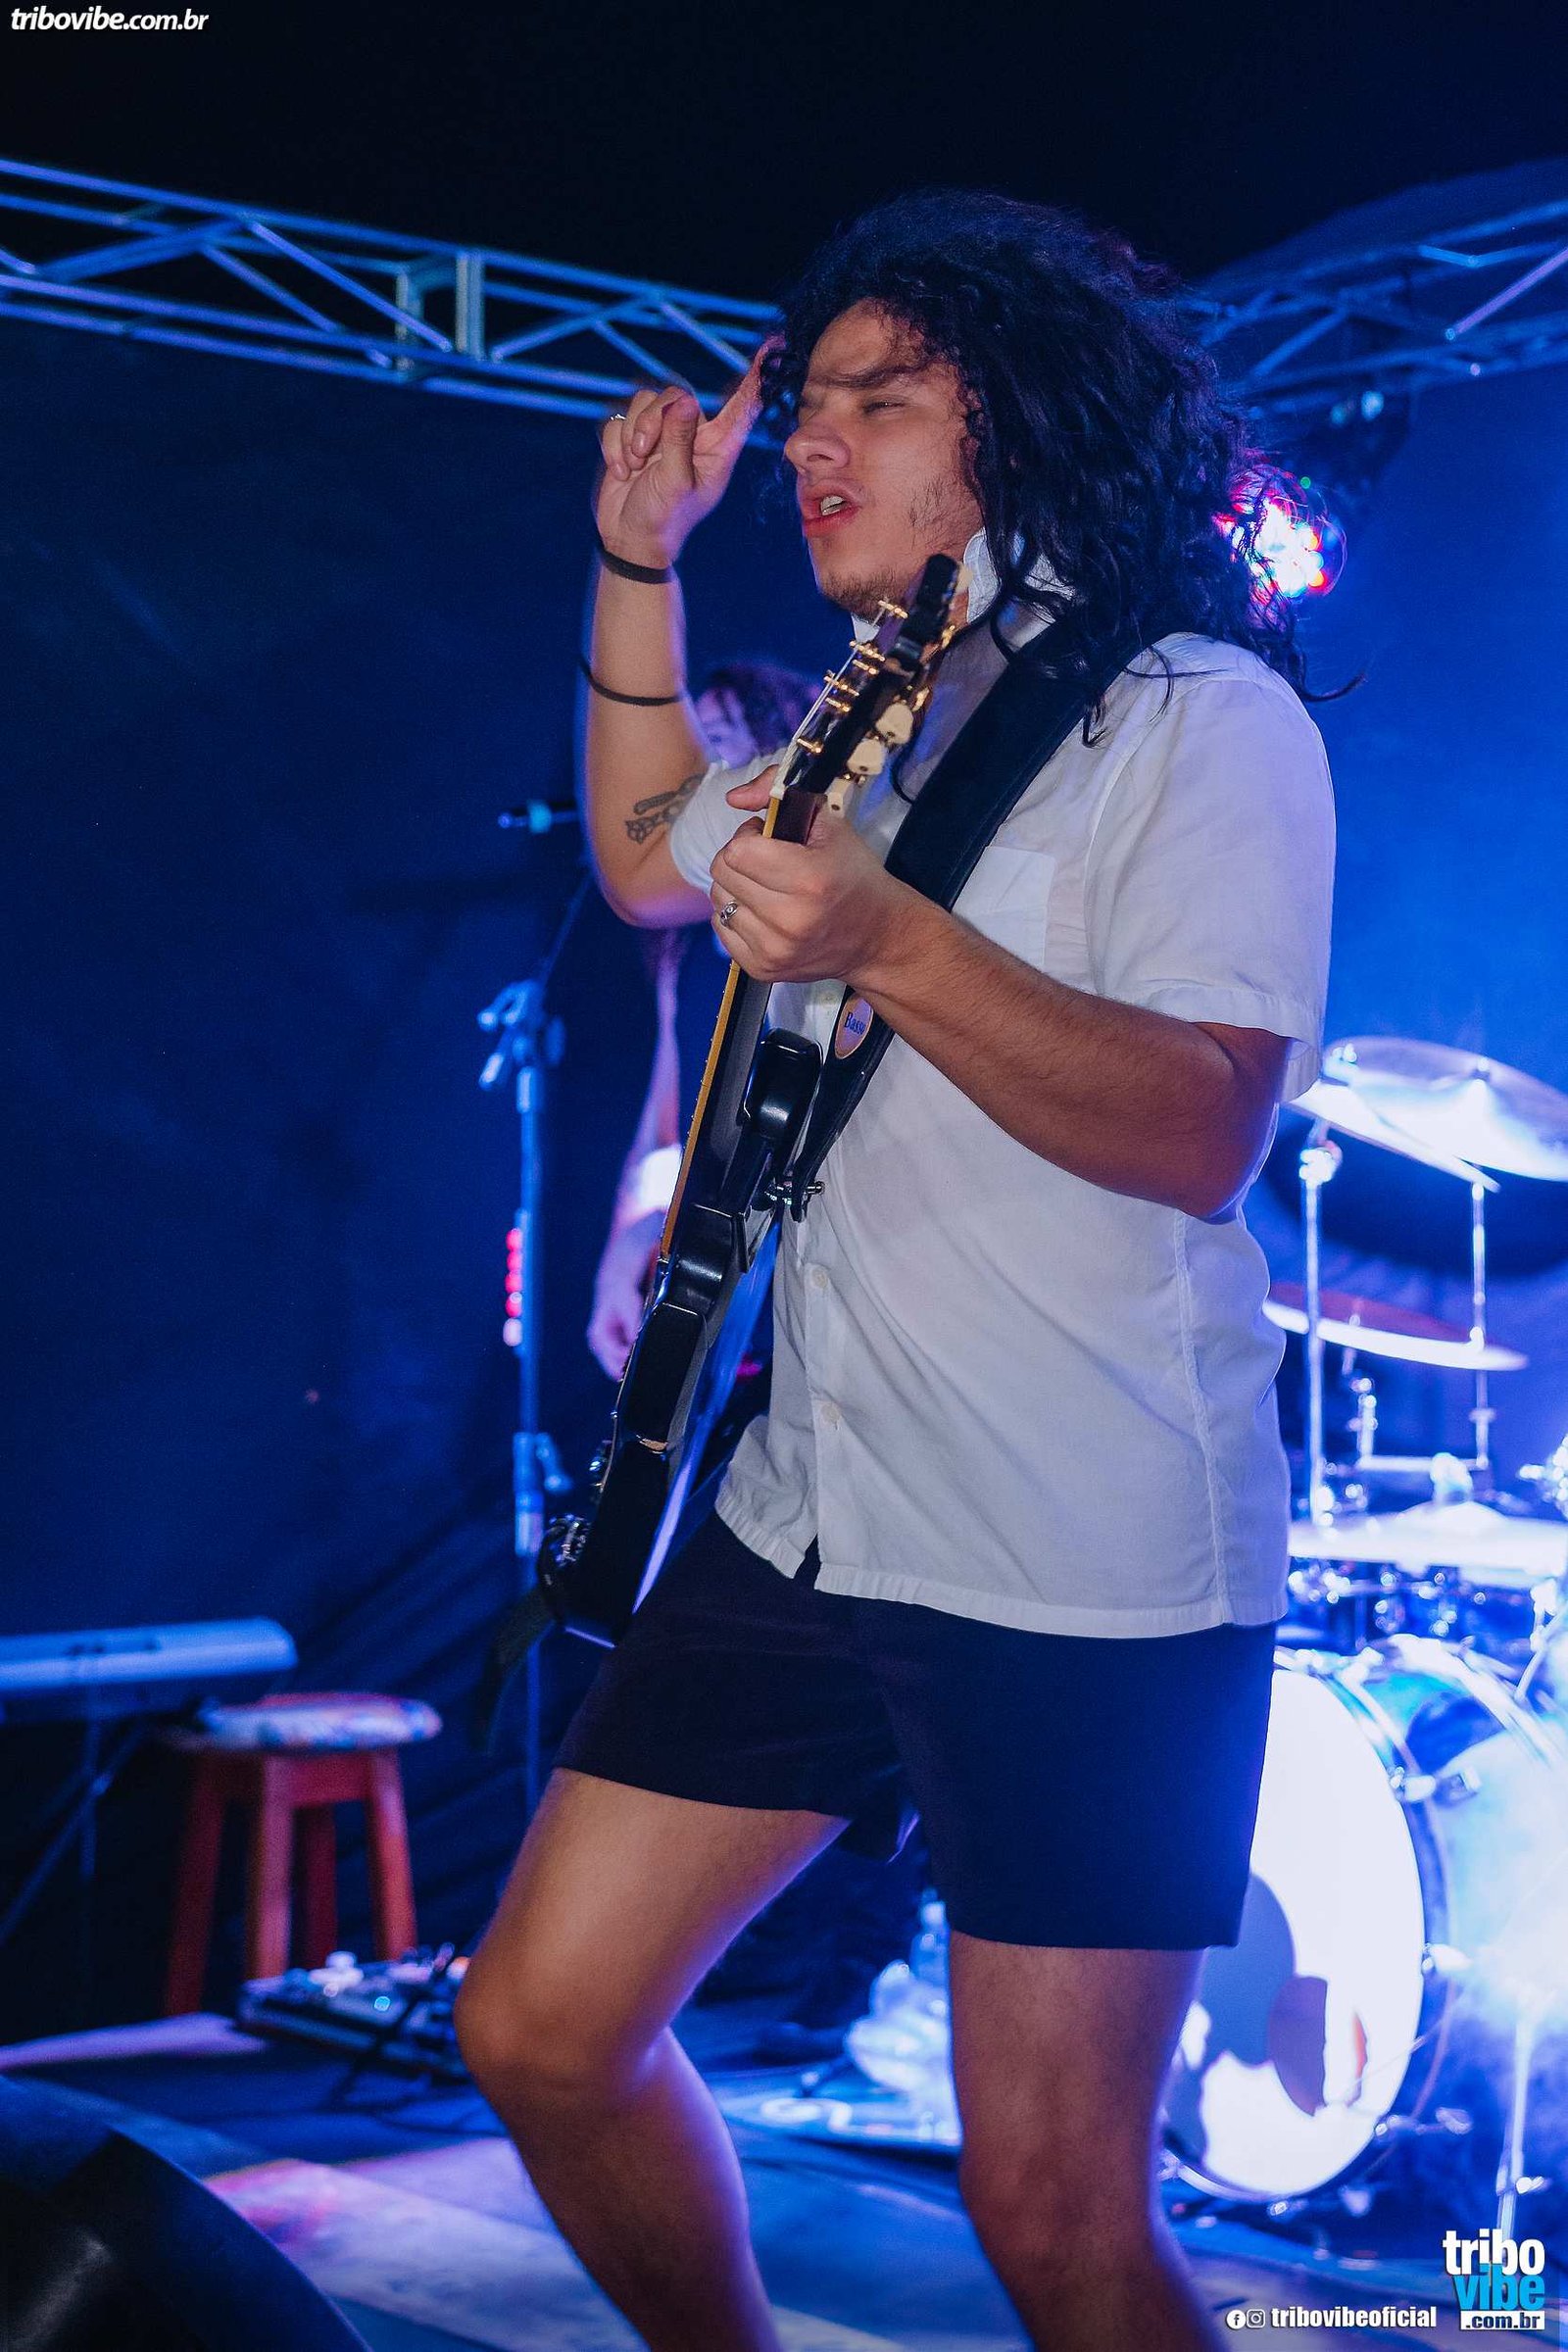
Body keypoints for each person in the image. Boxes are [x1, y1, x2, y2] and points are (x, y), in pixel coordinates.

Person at [457, 190, 1335, 2352]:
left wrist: (888, 942)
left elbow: (1199, 1129)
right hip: (817, 1507)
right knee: (541, 2032)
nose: (813, 444)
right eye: (809, 408)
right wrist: (639, 562)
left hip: (1081, 1555)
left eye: (882, 399)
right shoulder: (871, 712)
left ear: (1013, 426)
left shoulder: (1197, 717)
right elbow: (648, 860)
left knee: (1053, 2213)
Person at [587, 663, 815, 1385]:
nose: (703, 764)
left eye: (719, 738)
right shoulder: (679, 944)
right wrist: (626, 1246)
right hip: (714, 1262)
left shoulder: (823, 901)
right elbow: (664, 1125)